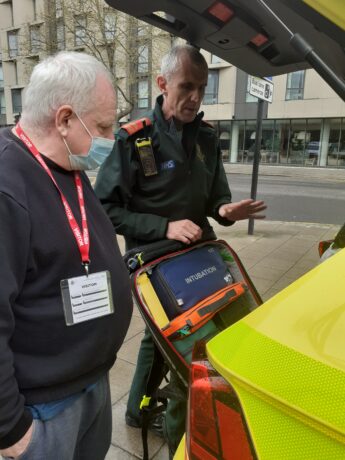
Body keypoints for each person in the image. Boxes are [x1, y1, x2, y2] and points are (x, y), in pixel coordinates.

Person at [95, 44, 266, 454]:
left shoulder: (207, 138)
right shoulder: (134, 140)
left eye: (201, 88)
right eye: (186, 86)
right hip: (154, 265)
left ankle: (137, 411)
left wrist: (225, 210)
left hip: (200, 259)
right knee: (185, 351)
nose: (195, 97)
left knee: (165, 340)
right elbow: (105, 208)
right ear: (162, 84)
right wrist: (164, 225)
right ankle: (180, 435)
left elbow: (215, 199)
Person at [0, 51, 133, 460]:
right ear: (63, 120)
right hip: (43, 408)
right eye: (104, 126)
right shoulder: (7, 185)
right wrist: (11, 430)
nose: (111, 138)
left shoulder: (66, 165)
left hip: (90, 383)